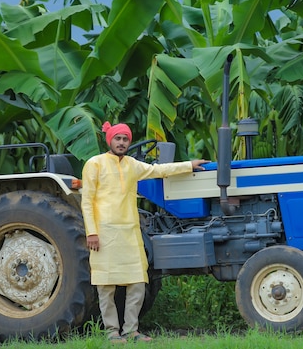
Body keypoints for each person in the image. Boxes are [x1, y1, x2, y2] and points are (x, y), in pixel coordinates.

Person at [81, 121, 209, 344]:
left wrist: (188, 165)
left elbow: (158, 170)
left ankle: (131, 330)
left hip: (130, 233)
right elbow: (86, 200)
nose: (122, 143)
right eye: (118, 138)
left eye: (125, 139)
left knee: (138, 283)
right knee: (106, 285)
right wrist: (92, 232)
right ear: (109, 139)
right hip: (104, 233)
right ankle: (112, 332)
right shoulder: (95, 164)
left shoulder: (132, 164)